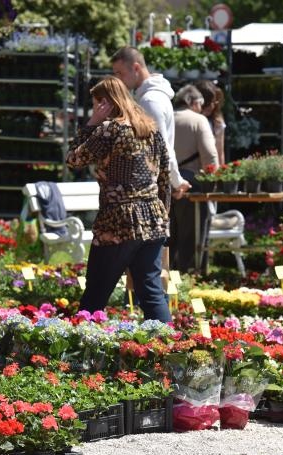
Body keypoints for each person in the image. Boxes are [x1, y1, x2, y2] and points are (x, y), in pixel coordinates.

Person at [66, 76, 172, 322]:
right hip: (153, 219)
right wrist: (164, 216)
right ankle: (170, 342)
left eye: (96, 104)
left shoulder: (110, 129)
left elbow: (74, 159)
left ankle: (80, 342)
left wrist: (91, 123)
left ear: (106, 103)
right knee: (151, 292)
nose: (95, 109)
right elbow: (165, 179)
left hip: (117, 221)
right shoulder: (151, 129)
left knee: (96, 291)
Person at [110, 46, 190, 199]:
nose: (118, 79)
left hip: (151, 190)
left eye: (120, 73)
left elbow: (161, 148)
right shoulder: (151, 98)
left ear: (136, 68)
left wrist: (177, 182)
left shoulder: (150, 101)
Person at [169, 85, 219, 272]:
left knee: (168, 235)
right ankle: (191, 274)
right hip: (191, 184)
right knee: (192, 234)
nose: (201, 108)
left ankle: (167, 275)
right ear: (191, 102)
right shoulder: (198, 120)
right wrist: (213, 182)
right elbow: (209, 156)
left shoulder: (166, 117)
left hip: (165, 184)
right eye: (200, 104)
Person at [193, 80, 226, 165]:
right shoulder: (190, 120)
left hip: (210, 167)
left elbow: (220, 152)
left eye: (214, 102)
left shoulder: (217, 122)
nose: (211, 106)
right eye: (208, 102)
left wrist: (221, 171)